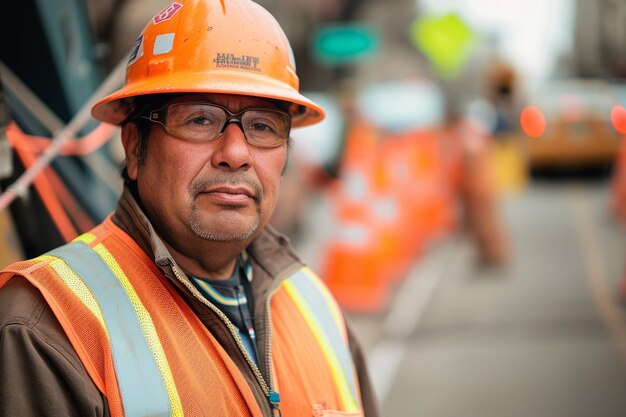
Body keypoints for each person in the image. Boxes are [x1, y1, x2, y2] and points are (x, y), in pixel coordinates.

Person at [0, 1, 380, 416]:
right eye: (199, 119)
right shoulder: (46, 326)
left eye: (262, 126)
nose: (236, 153)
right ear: (133, 147)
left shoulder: (317, 307)